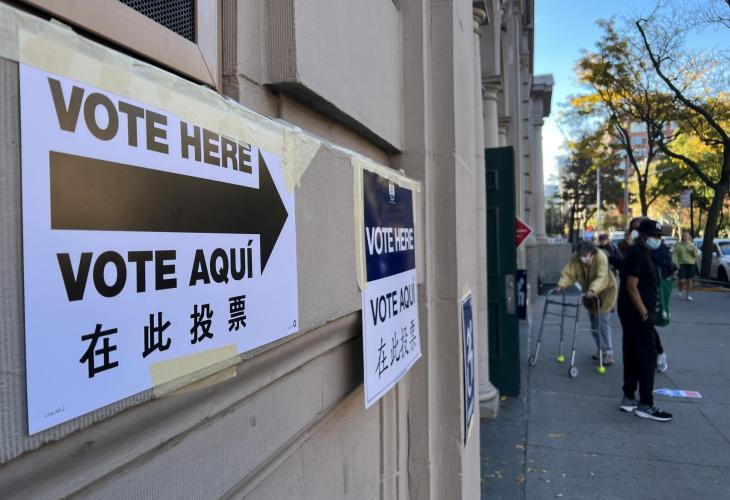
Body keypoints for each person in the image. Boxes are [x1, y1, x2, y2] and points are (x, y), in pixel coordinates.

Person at [617, 218, 672, 422]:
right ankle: (646, 404)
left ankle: (629, 397)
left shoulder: (641, 252)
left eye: (658, 236)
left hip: (634, 313)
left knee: (632, 354)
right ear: (641, 235)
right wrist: (644, 312)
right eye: (653, 235)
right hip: (637, 315)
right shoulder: (637, 254)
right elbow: (631, 286)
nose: (656, 239)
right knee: (647, 358)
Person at [555, 241, 617, 365]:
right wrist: (562, 284)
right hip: (590, 294)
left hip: (605, 292)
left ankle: (608, 352)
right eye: (580, 254)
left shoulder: (600, 257)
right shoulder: (577, 257)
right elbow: (569, 272)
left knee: (602, 322)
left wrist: (593, 289)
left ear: (591, 252)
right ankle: (600, 349)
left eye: (585, 254)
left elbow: (602, 277)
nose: (582, 257)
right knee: (594, 324)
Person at [673, 231, 698, 301]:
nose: (685, 237)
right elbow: (674, 255)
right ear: (682, 237)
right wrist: (676, 264)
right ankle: (680, 289)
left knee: (690, 280)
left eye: (687, 236)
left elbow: (695, 255)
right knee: (682, 280)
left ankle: (688, 295)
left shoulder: (692, 245)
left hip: (691, 264)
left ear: (689, 237)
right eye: (684, 236)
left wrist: (693, 251)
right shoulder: (678, 245)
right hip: (682, 264)